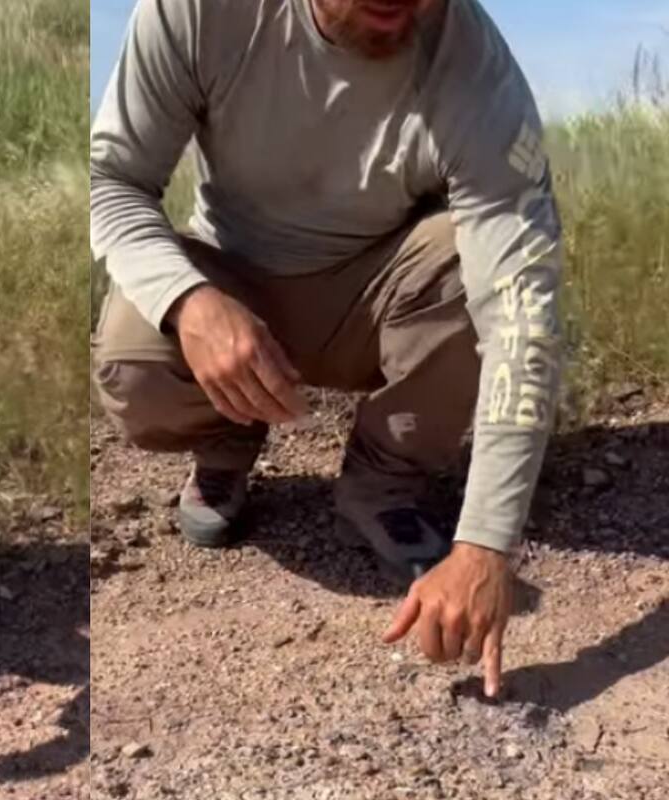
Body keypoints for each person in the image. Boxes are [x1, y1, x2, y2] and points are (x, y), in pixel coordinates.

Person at [91, 0, 563, 698]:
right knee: (134, 347)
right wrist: (190, 304)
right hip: (233, 275)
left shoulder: (474, 69)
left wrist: (485, 544)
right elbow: (114, 183)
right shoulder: (195, 14)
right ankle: (227, 439)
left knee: (476, 265)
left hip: (375, 295)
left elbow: (523, 312)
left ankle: (385, 477)